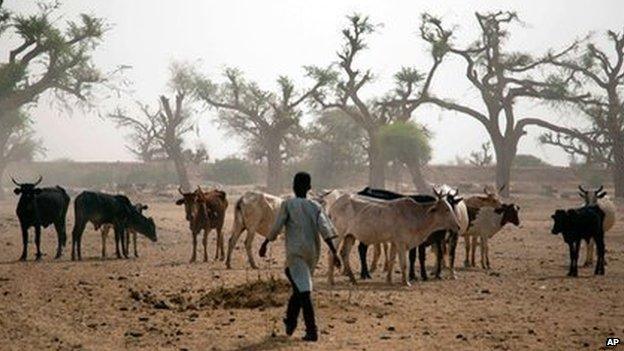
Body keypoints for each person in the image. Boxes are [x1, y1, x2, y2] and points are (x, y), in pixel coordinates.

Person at [259, 172, 341, 342]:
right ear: (309, 188)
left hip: (295, 253)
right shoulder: (315, 206)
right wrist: (334, 252)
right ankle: (290, 321)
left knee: (303, 291)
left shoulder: (288, 204)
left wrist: (266, 242)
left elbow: (277, 225)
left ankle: (312, 331)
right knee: (300, 287)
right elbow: (325, 230)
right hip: (312, 253)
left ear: (293, 187)